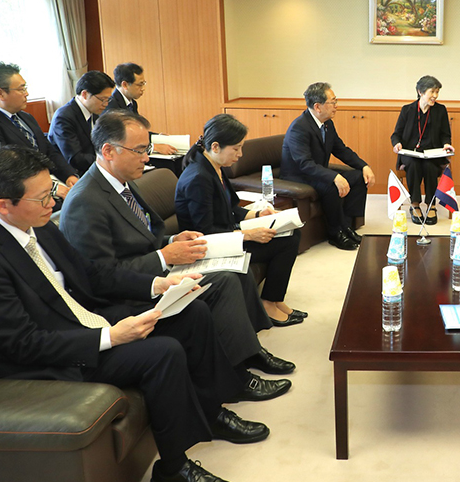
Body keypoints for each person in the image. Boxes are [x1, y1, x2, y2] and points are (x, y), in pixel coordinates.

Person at [0, 145, 271, 482]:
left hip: (83, 323)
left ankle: (212, 413)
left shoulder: (37, 225)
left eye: (51, 191)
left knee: (191, 314)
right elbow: (22, 344)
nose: (53, 202)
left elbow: (91, 274)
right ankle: (173, 471)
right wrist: (110, 337)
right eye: (42, 198)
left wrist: (157, 285)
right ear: (3, 205)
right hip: (49, 359)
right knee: (162, 352)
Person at [59, 110, 295, 388]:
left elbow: (144, 237)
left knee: (237, 273)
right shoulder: (85, 201)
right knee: (225, 282)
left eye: (147, 149)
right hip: (130, 292)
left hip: (154, 272)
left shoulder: (121, 183)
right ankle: (239, 379)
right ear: (109, 150)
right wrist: (163, 257)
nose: (147, 158)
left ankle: (249, 353)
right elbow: (101, 277)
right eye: (139, 151)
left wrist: (172, 241)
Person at [175, 113, 306, 326]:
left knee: (290, 234)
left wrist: (258, 215)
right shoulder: (198, 177)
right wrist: (248, 235)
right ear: (215, 146)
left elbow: (232, 208)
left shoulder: (214, 167)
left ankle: (274, 300)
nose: (240, 154)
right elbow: (206, 231)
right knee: (286, 243)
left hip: (226, 235)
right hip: (208, 247)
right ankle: (268, 303)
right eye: (236, 149)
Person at [281, 82, 376, 250]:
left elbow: (341, 150)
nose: (336, 106)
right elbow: (304, 164)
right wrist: (334, 176)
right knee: (331, 185)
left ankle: (347, 226)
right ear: (318, 106)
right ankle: (335, 233)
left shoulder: (327, 123)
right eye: (333, 102)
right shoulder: (299, 128)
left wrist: (364, 166)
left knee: (358, 177)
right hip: (298, 176)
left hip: (316, 172)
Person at [0, 62, 78, 198]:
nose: (26, 93)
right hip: (8, 190)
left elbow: (48, 151)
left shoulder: (25, 117)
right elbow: (4, 170)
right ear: (0, 93)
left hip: (40, 181)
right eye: (21, 89)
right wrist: (52, 188)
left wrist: (68, 175)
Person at [391, 75, 454, 225]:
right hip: (410, 152)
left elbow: (445, 134)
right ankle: (415, 204)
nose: (435, 96)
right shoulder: (407, 110)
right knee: (414, 165)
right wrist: (397, 144)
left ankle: (431, 205)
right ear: (420, 92)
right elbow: (396, 134)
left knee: (429, 166)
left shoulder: (440, 110)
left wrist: (446, 144)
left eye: (437, 92)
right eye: (432, 92)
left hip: (432, 153)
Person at [106, 62, 179, 157]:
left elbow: (136, 131)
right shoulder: (111, 105)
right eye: (139, 85)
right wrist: (153, 147)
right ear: (125, 85)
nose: (143, 88)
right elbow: (121, 137)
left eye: (144, 83)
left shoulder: (132, 103)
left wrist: (157, 137)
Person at [48, 70, 112, 175]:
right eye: (102, 99)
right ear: (84, 94)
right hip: (73, 174)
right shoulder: (64, 117)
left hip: (93, 167)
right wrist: (108, 159)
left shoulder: (95, 113)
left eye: (108, 99)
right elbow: (76, 159)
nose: (106, 104)